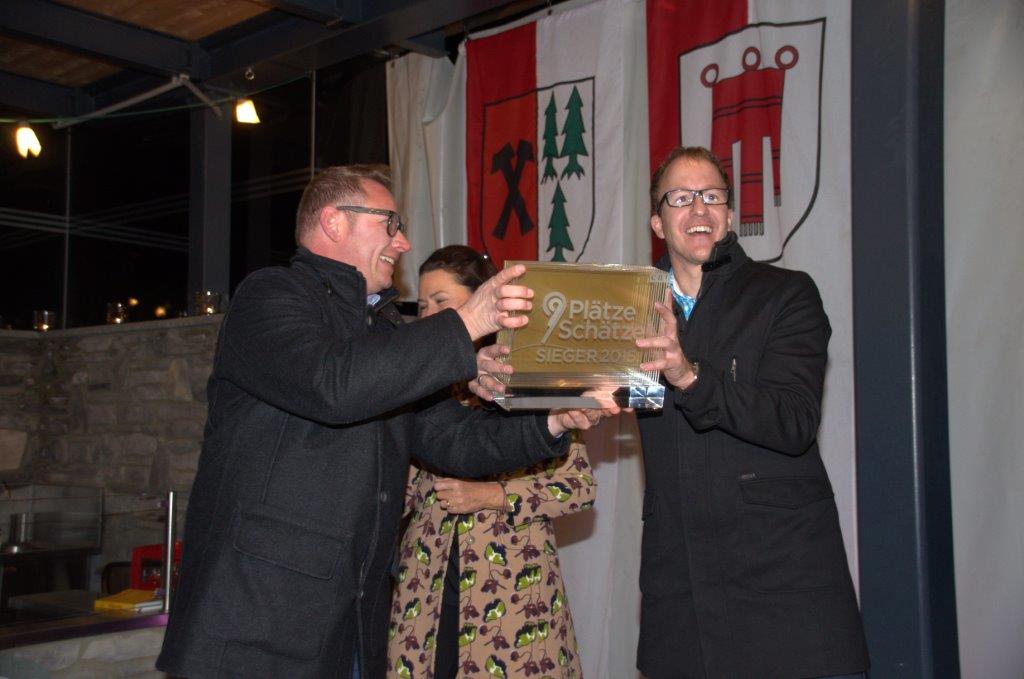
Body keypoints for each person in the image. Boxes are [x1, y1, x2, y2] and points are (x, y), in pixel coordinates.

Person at [155, 165, 615, 679]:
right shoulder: (270, 296)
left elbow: (456, 441)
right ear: (334, 221)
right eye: (390, 224)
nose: (403, 241)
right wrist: (467, 322)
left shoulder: (386, 330)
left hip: (352, 619)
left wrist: (552, 421)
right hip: (258, 620)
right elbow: (334, 385)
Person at [631, 146, 869, 678]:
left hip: (781, 582)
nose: (699, 209)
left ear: (731, 213)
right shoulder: (632, 309)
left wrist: (689, 376)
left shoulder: (785, 295)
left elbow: (794, 420)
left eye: (712, 196)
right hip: (681, 592)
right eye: (680, 198)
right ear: (657, 221)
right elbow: (606, 396)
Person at [387, 246, 593, 679]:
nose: (429, 316)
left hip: (512, 587)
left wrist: (494, 495)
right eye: (422, 306)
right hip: (426, 579)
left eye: (441, 302)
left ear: (483, 301)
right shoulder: (421, 382)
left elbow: (578, 487)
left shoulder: (531, 372)